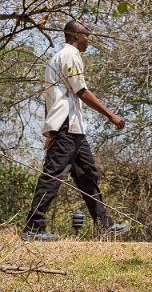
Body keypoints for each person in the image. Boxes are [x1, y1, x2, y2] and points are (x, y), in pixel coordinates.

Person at [22, 20, 130, 241]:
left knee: (87, 175)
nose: (88, 40)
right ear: (74, 35)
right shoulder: (70, 55)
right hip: (66, 127)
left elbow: (49, 101)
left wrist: (47, 130)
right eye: (86, 35)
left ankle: (104, 226)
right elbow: (81, 91)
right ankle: (33, 227)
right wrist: (110, 115)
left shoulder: (55, 58)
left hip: (74, 129)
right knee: (52, 176)